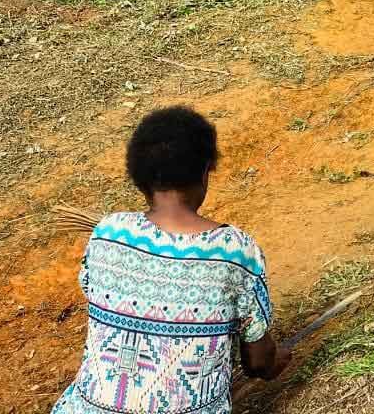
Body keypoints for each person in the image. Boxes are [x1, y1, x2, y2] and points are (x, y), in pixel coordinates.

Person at [51, 106, 290, 414]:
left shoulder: (107, 233)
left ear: (138, 177)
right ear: (205, 173)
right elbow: (258, 362)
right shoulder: (235, 251)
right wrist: (276, 360)